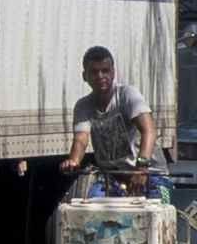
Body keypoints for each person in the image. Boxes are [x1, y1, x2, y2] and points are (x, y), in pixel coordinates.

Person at [64, 45, 159, 190]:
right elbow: (81, 140)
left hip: (150, 174)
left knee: (151, 211)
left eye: (105, 71)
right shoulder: (83, 106)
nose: (101, 76)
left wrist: (142, 167)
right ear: (85, 76)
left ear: (113, 73)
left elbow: (149, 130)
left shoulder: (128, 95)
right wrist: (73, 161)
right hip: (113, 177)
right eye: (94, 72)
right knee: (91, 205)